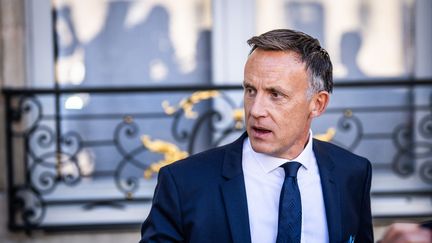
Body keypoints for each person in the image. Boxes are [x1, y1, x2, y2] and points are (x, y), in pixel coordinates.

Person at [139, 29, 373, 243]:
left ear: (317, 104)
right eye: (250, 90)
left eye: (275, 94)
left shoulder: (352, 173)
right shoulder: (183, 182)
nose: (256, 110)